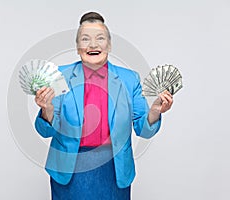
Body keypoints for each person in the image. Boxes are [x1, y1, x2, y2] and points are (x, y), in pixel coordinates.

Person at [34, 12, 173, 200]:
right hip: (69, 170)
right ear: (77, 47)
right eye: (85, 39)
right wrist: (47, 109)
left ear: (109, 45)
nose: (93, 45)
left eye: (100, 38)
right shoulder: (59, 77)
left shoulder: (129, 79)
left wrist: (155, 110)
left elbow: (143, 130)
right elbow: (45, 131)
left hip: (114, 169)